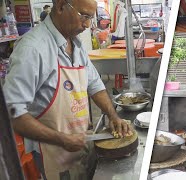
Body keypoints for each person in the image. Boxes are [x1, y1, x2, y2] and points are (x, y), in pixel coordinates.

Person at [3, 0, 132, 179]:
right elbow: (13, 113)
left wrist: (113, 116)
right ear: (62, 6)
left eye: (90, 18)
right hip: (49, 154)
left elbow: (95, 86)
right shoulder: (32, 49)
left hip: (78, 147)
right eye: (84, 16)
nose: (87, 25)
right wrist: (61, 139)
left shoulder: (76, 45)